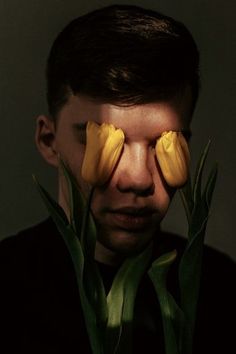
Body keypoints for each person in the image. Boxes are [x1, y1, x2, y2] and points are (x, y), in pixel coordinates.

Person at [0, 4, 235, 354]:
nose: (138, 178)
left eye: (164, 144)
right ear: (49, 141)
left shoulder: (225, 290)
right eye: (104, 140)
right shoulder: (6, 290)